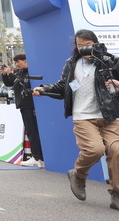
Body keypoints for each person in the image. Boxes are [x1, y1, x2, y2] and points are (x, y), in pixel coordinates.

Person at [34, 29, 119, 210]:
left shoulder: (110, 62)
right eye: (80, 46)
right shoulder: (72, 64)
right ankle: (78, 175)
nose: (84, 49)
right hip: (83, 117)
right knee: (95, 149)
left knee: (117, 151)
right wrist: (44, 89)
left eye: (88, 45)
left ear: (95, 43)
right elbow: (66, 87)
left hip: (109, 116)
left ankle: (117, 194)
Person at [2, 53, 44, 168]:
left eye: (18, 62)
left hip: (31, 105)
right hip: (23, 105)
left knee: (33, 131)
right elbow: (10, 83)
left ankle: (38, 158)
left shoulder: (31, 72)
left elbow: (22, 84)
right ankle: (37, 156)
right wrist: (5, 75)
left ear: (26, 60)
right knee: (30, 131)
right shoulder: (20, 72)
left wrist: (11, 74)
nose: (17, 64)